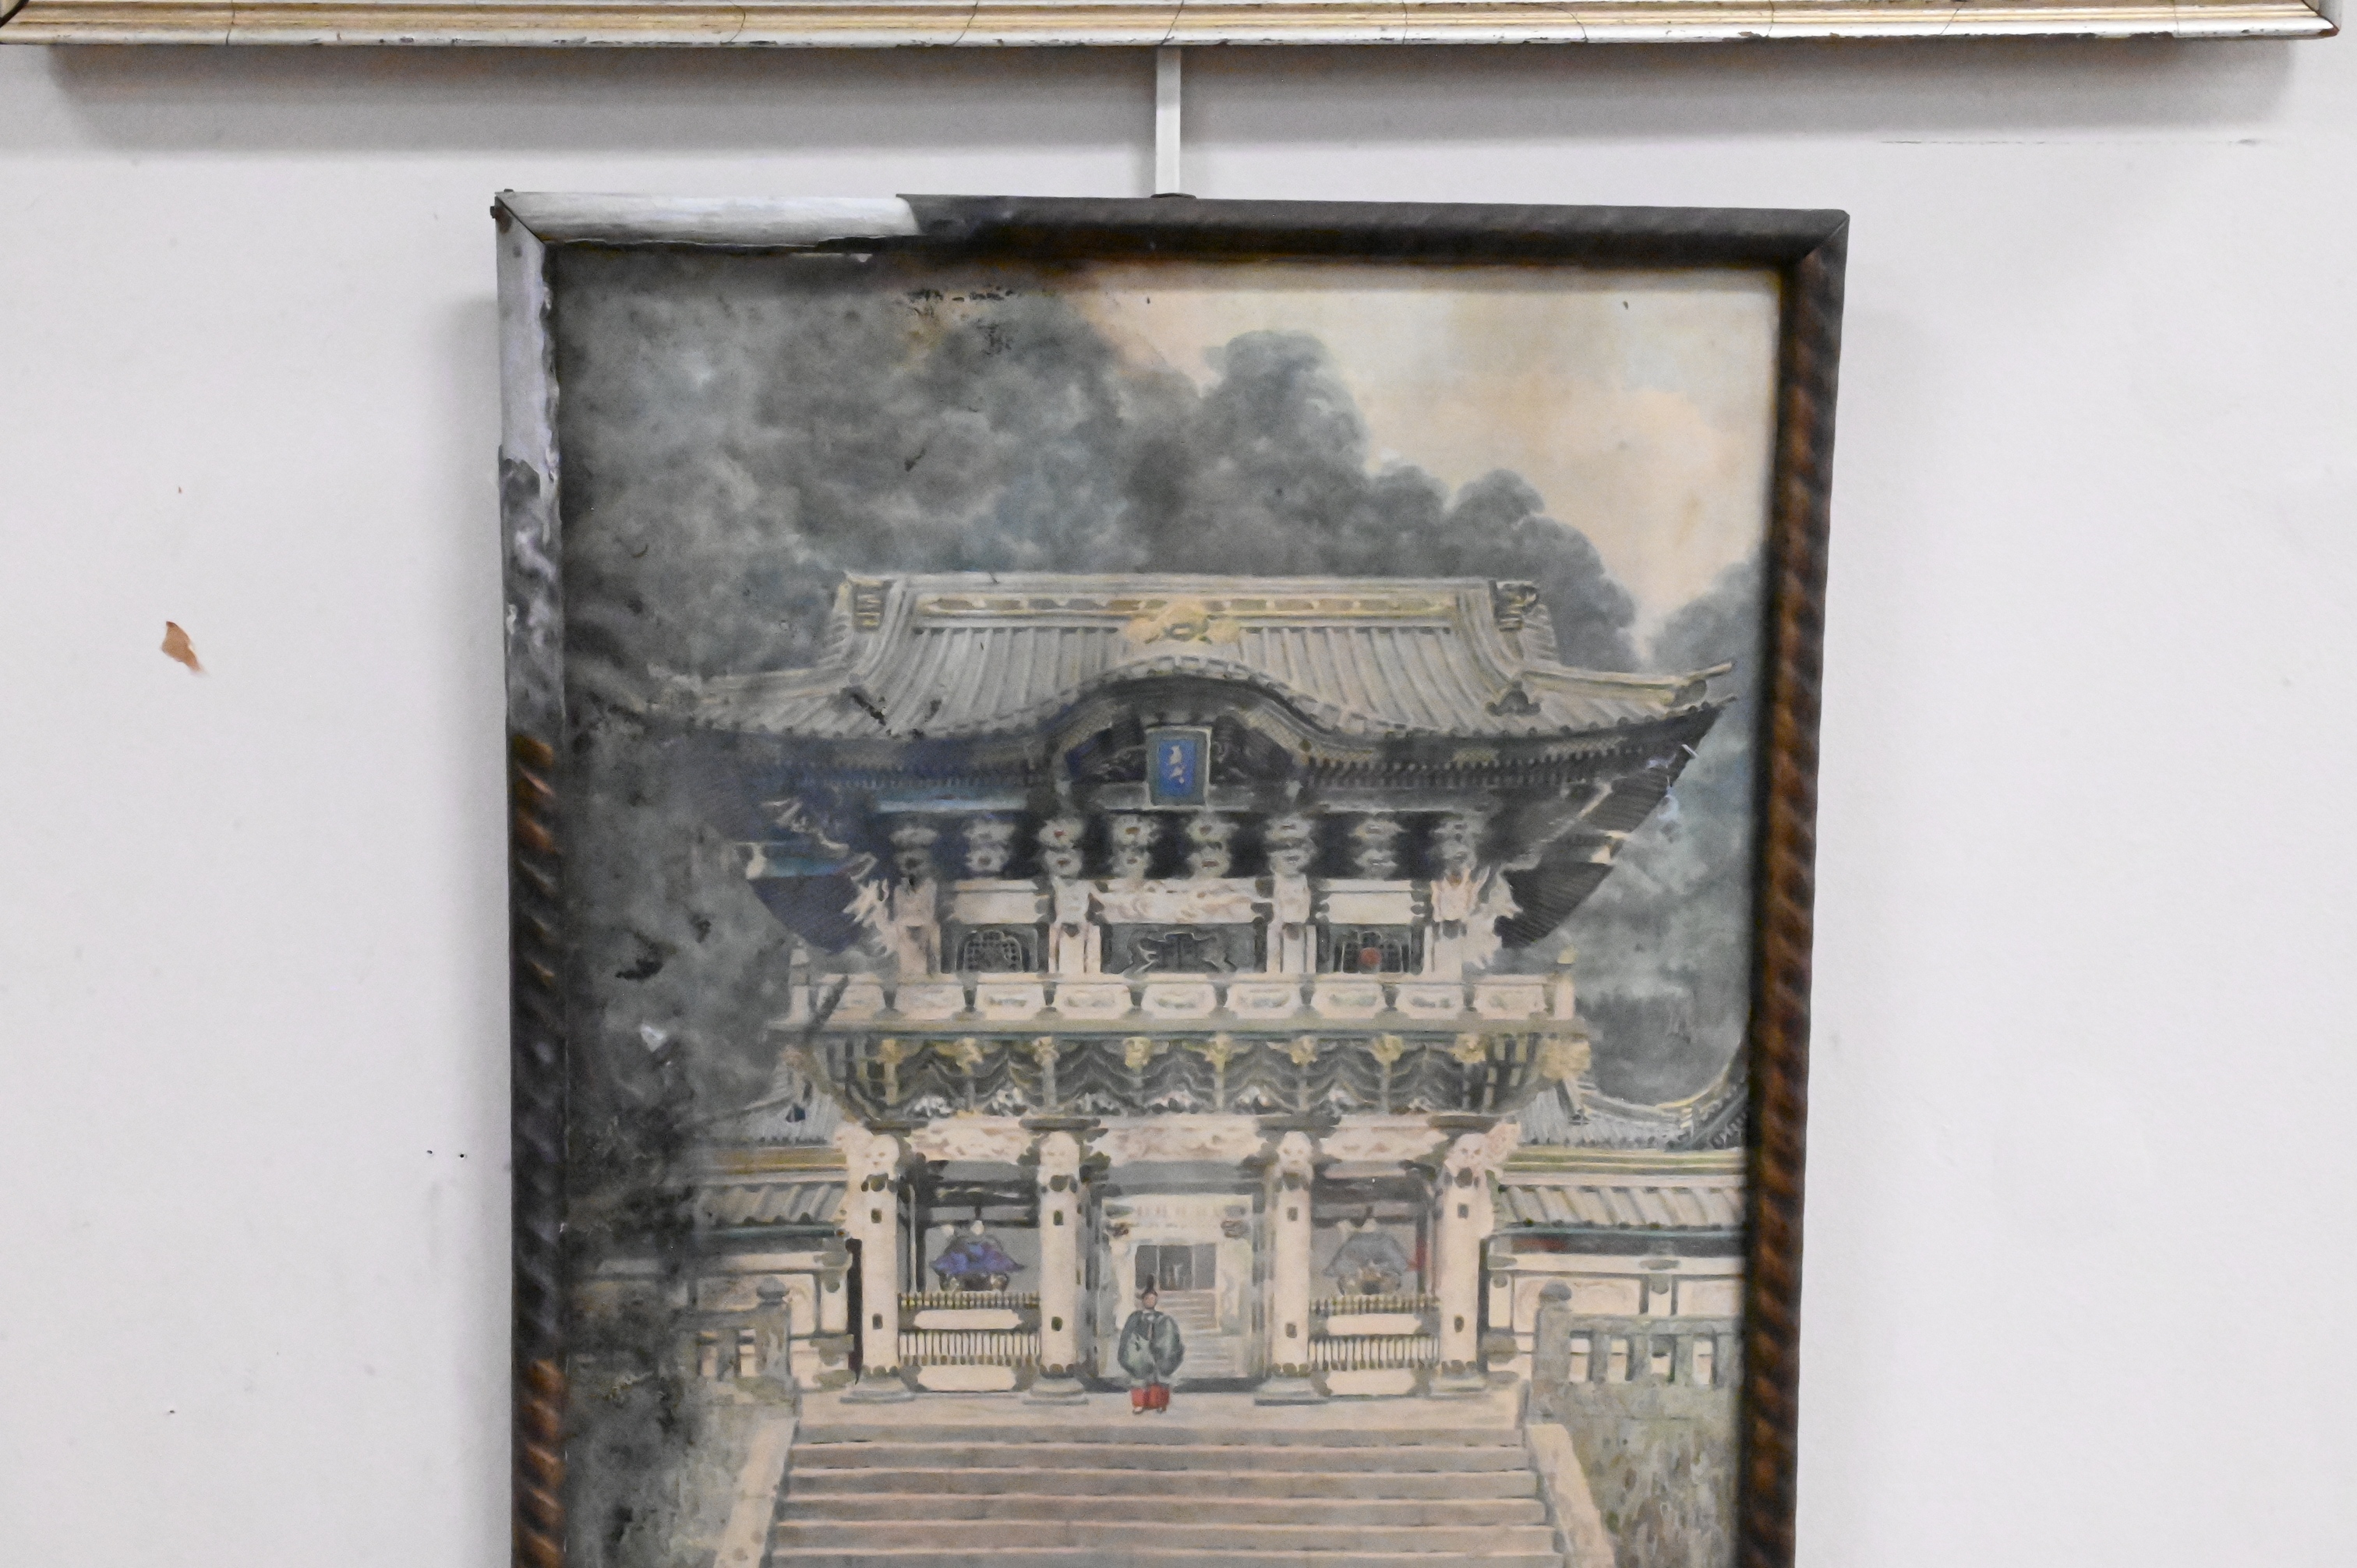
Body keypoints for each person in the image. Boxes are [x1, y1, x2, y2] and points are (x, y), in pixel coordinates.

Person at [1116, 1287, 1185, 1413]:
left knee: (1159, 1379)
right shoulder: (1135, 1317)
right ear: (1143, 1300)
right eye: (1148, 1298)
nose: (1150, 1301)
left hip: (1158, 1354)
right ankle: (1139, 1404)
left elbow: (1169, 1337)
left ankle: (1159, 1404)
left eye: (1153, 1298)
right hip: (1140, 1353)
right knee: (1139, 1380)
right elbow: (1128, 1336)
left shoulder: (1163, 1318)